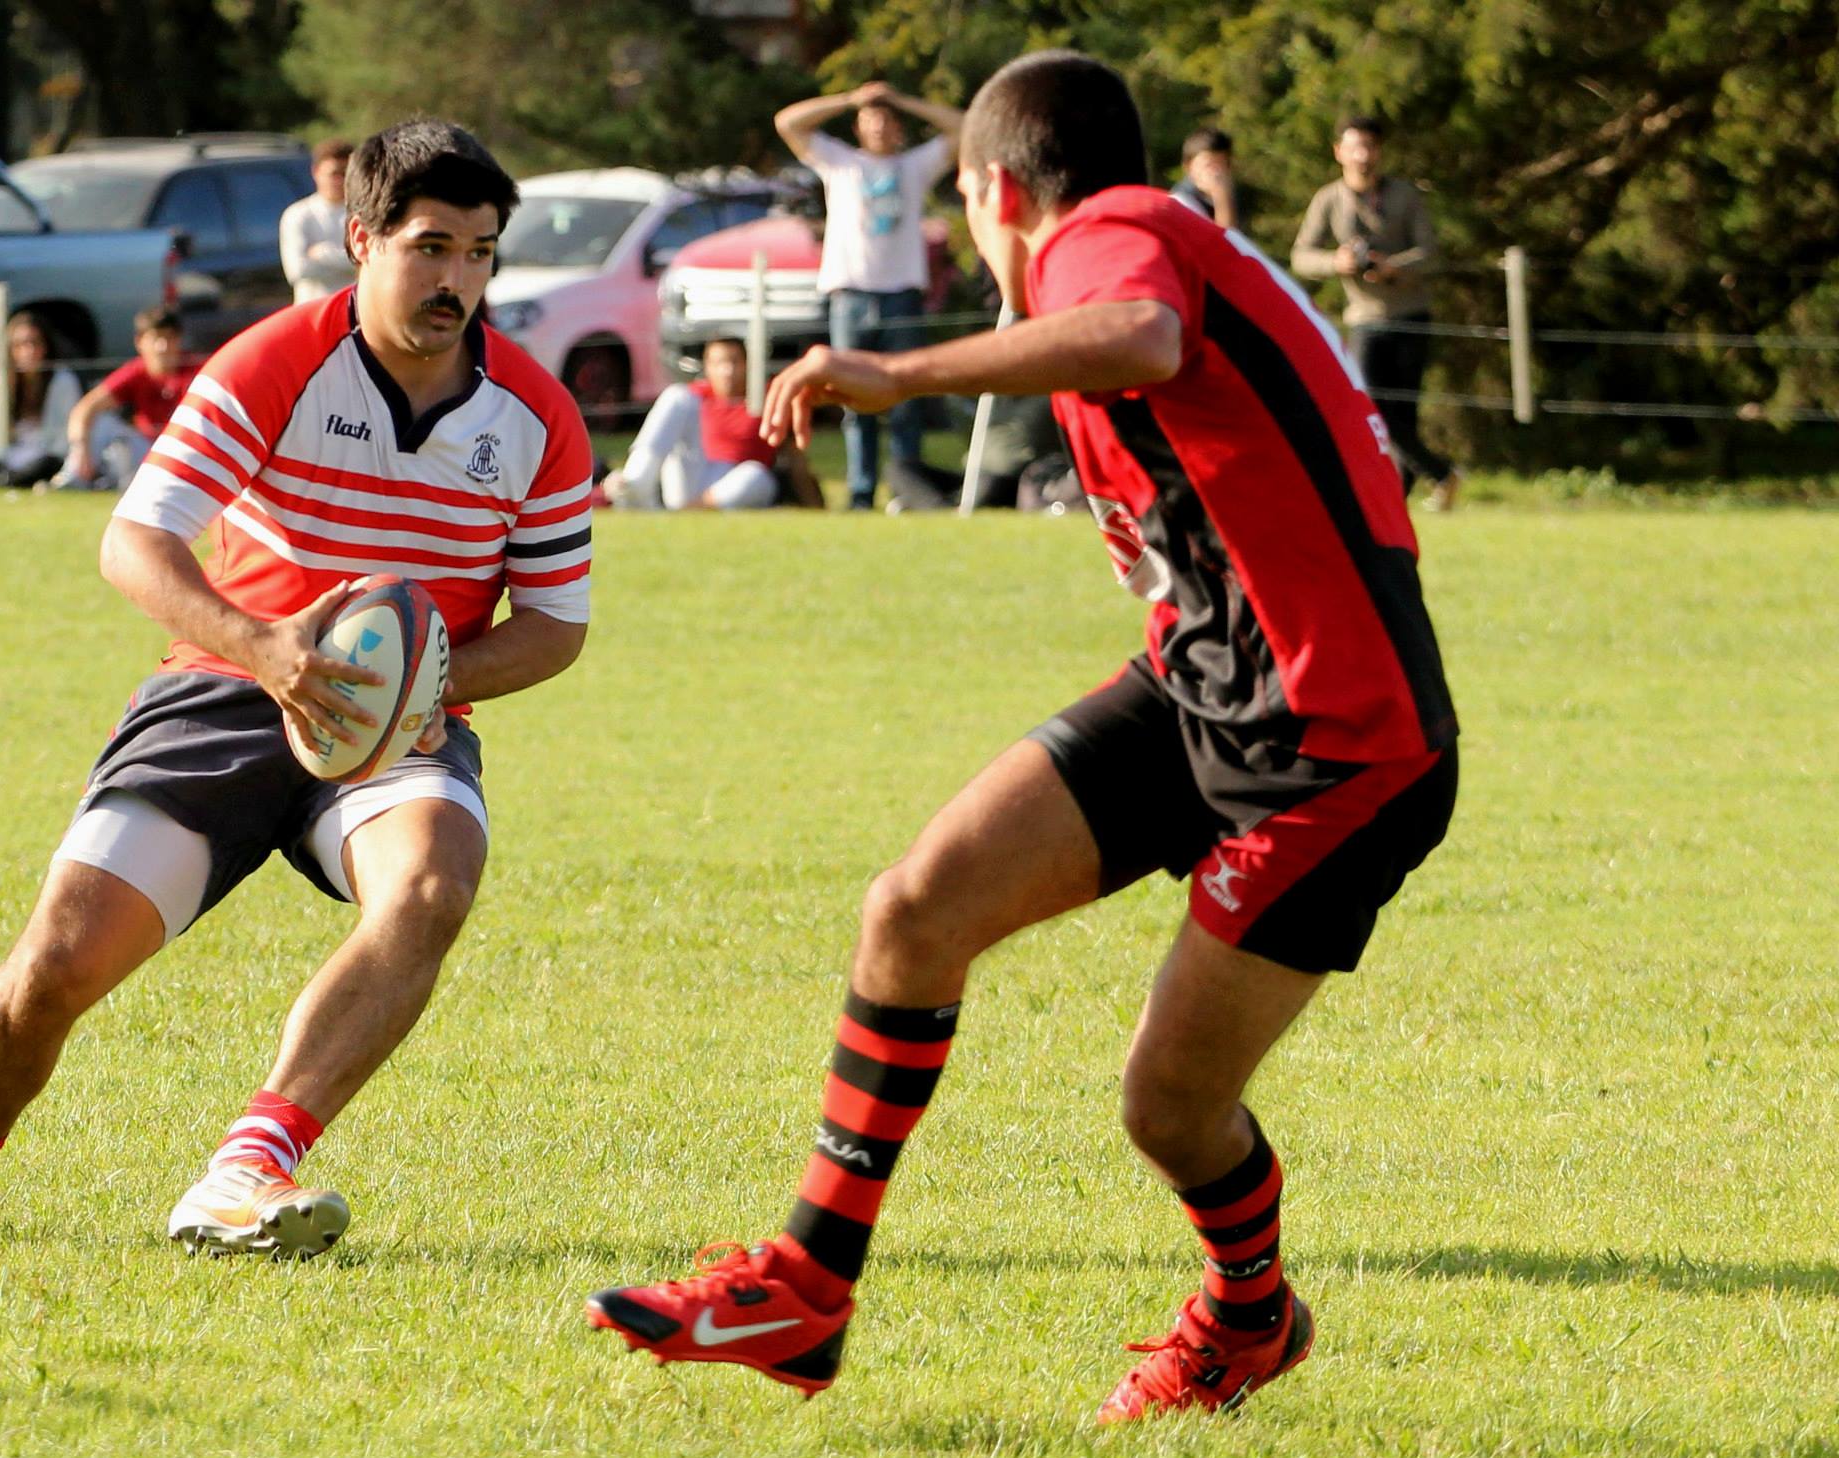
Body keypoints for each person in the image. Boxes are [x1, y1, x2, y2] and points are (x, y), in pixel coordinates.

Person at [586, 50, 1457, 1423]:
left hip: (1340, 747)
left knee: (1168, 1109)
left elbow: (1144, 337)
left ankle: (1248, 1317)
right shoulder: (1147, 242)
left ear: (994, 190)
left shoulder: (1112, 235)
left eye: (967, 219)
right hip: (1204, 688)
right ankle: (806, 1288)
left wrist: (899, 370)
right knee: (915, 910)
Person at [0, 118, 593, 1258]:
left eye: (479, 253)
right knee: (55, 966)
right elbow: (134, 543)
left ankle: (244, 1172)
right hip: (222, 687)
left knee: (431, 888)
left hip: (398, 722)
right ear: (360, 240)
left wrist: (418, 681)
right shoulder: (275, 360)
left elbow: (554, 628)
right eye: (431, 247)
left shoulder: (536, 417)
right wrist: (265, 649)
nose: (457, 279)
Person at [775, 80, 963, 510]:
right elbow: (787, 122)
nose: (878, 125)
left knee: (906, 400)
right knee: (852, 401)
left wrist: (903, 99)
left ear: (897, 127)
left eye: (886, 119)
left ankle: (907, 488)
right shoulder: (839, 162)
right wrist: (848, 99)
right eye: (870, 118)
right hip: (851, 297)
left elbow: (963, 128)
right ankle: (861, 494)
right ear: (858, 127)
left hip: (902, 297)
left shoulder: (914, 166)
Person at [1292, 115, 1462, 511]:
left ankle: (1396, 499)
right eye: (1354, 147)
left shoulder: (1405, 196)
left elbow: (1431, 253)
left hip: (1411, 315)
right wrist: (1335, 263)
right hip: (1365, 319)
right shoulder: (1328, 199)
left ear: (1380, 151)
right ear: (1339, 152)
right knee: (1371, 407)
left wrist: (1394, 267)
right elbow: (1301, 256)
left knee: (1404, 413)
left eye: (1369, 147)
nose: (1362, 155)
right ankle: (1440, 473)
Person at [602, 337, 780, 510]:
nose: (728, 371)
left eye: (735, 362)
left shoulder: (766, 396)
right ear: (707, 367)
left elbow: (792, 454)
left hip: (737, 478)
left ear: (748, 365)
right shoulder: (697, 396)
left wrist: (807, 496)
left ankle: (688, 509)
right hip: (696, 475)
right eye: (719, 363)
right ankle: (636, 483)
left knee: (757, 474)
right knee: (676, 395)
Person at [53, 307, 199, 490]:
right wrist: (80, 448)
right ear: (140, 342)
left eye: (170, 338)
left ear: (180, 340)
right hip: (145, 451)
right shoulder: (136, 371)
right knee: (103, 423)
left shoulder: (197, 370)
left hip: (185, 450)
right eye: (156, 338)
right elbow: (85, 408)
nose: (163, 347)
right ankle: (73, 479)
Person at [0, 310, 83, 488]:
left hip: (47, 458)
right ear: (10, 349)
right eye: (21, 345)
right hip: (6, 457)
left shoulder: (62, 381)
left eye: (34, 343)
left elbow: (62, 441)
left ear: (45, 346)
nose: (28, 351)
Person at [281, 138, 357, 304]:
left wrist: (323, 253)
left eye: (345, 174)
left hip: (353, 312)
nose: (340, 180)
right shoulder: (298, 215)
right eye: (334, 174)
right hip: (313, 314)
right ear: (316, 171)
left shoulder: (363, 214)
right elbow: (297, 271)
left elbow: (370, 261)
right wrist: (349, 263)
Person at [1170, 127, 1243, 231]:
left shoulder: (1227, 194)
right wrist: (1221, 197)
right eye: (1209, 165)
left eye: (1221, 165)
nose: (1216, 173)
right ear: (1188, 167)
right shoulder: (1182, 202)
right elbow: (1224, 241)